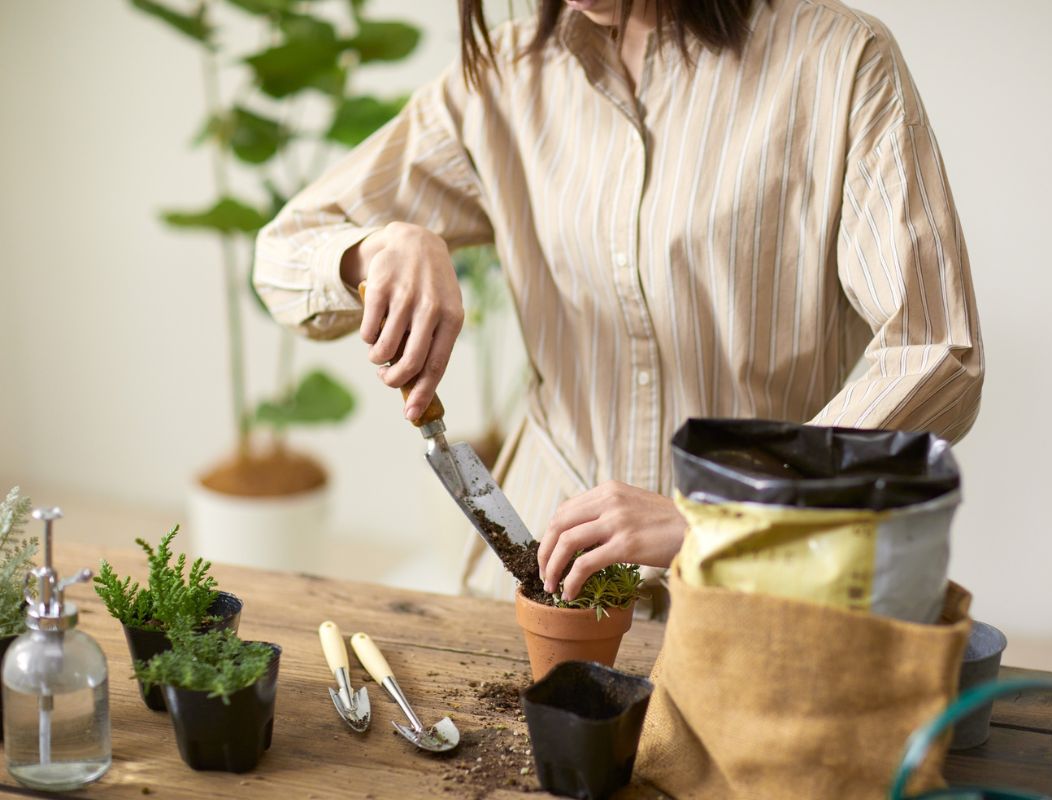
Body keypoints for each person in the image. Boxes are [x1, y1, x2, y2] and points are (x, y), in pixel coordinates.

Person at [253, 0, 983, 604]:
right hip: (537, 577)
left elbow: (936, 349)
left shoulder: (839, 62)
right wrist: (377, 247)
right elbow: (285, 254)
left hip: (758, 591)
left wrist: (728, 515)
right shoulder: (499, 83)